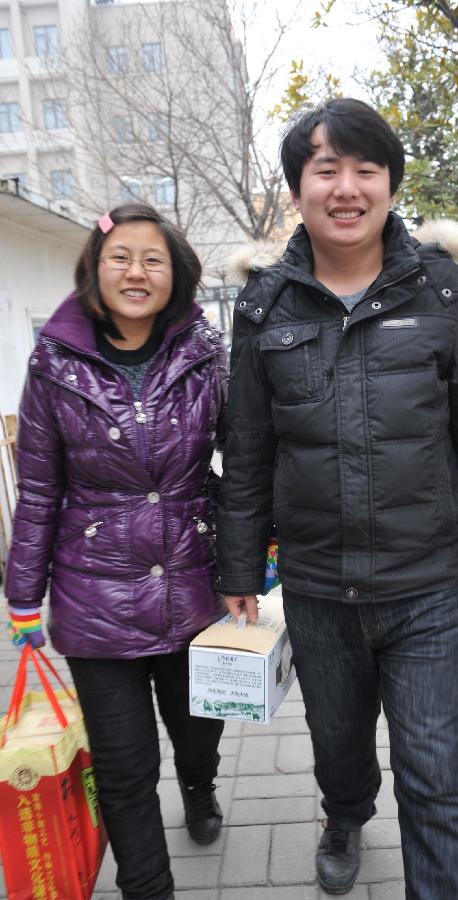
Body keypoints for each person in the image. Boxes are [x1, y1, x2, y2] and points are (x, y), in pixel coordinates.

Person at [215, 97, 458, 899]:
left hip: (426, 588)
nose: (346, 187)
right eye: (324, 168)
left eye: (365, 168)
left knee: (435, 779)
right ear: (297, 188)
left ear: (390, 185)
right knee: (337, 749)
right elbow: (249, 451)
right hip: (314, 588)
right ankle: (342, 814)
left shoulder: (445, 295)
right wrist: (235, 566)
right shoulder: (263, 307)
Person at [5, 202, 227, 900]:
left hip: (195, 590)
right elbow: (38, 489)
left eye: (152, 259)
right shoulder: (52, 364)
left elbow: (248, 464)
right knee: (125, 770)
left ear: (176, 275)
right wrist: (21, 598)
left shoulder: (206, 354)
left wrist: (258, 557)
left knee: (197, 736)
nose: (136, 271)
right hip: (95, 599)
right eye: (120, 257)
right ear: (94, 271)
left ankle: (198, 783)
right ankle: (147, 888)